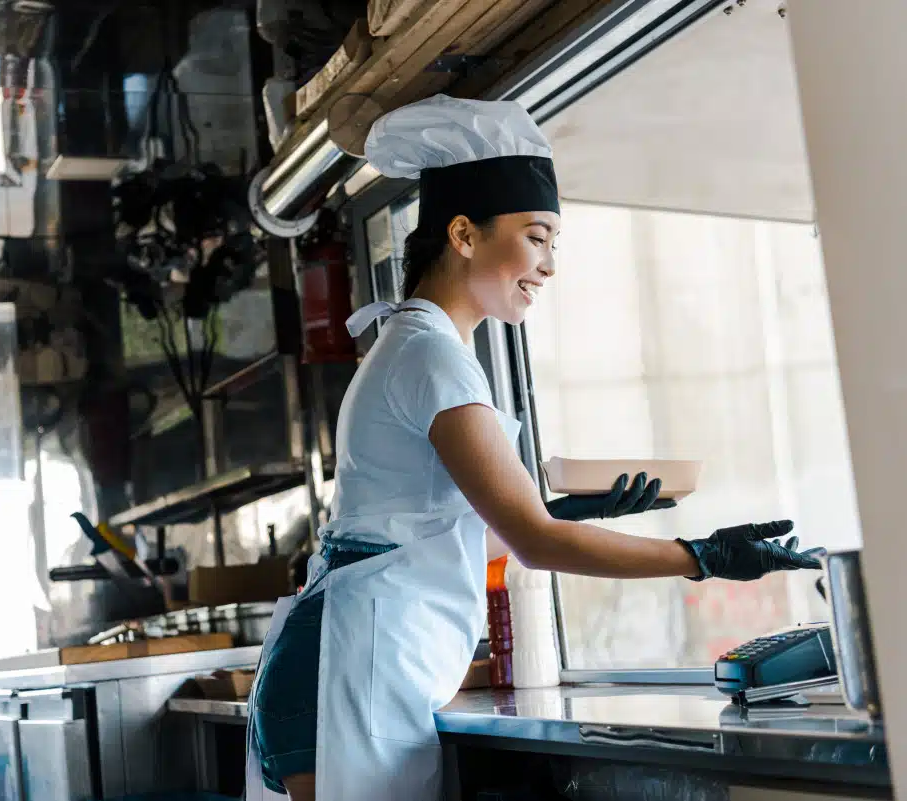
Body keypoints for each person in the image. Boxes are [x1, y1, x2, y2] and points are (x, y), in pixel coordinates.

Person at [244, 94, 819, 801]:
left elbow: (435, 537)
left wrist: (564, 510)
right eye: (538, 235)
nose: (549, 265)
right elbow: (532, 545)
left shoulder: (418, 344)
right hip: (350, 675)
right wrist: (700, 557)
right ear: (463, 233)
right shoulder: (432, 356)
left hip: (342, 665)